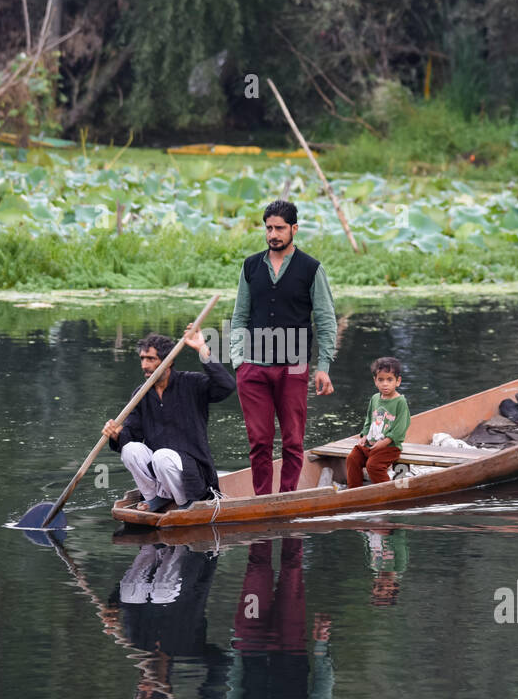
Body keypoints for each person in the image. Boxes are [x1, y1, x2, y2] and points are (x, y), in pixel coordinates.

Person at [230, 199, 338, 495]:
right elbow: (240, 314)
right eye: (268, 228)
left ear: (294, 229)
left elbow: (326, 320)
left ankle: (288, 496)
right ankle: (262, 501)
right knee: (259, 441)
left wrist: (324, 367)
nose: (273, 234)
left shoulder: (311, 269)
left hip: (294, 365)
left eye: (279, 228)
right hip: (252, 367)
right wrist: (238, 360)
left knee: (293, 440)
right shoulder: (251, 266)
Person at [104, 328, 235, 512]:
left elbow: (226, 386)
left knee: (162, 457)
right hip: (160, 473)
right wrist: (117, 435)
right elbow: (132, 435)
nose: (144, 365)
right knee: (130, 450)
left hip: (193, 473)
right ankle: (156, 499)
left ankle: (185, 503)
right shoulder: (141, 394)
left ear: (169, 362)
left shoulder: (192, 383)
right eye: (142, 359)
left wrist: (202, 348)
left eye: (151, 359)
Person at [345, 356, 410, 489]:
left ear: (398, 381)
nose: (385, 384)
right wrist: (363, 436)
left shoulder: (400, 402)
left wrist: (384, 442)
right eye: (381, 379)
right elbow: (369, 420)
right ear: (375, 381)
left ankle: (387, 492)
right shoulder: (375, 398)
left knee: (373, 466)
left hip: (390, 447)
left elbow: (400, 427)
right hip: (370, 444)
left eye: (389, 379)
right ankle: (354, 490)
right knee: (352, 458)